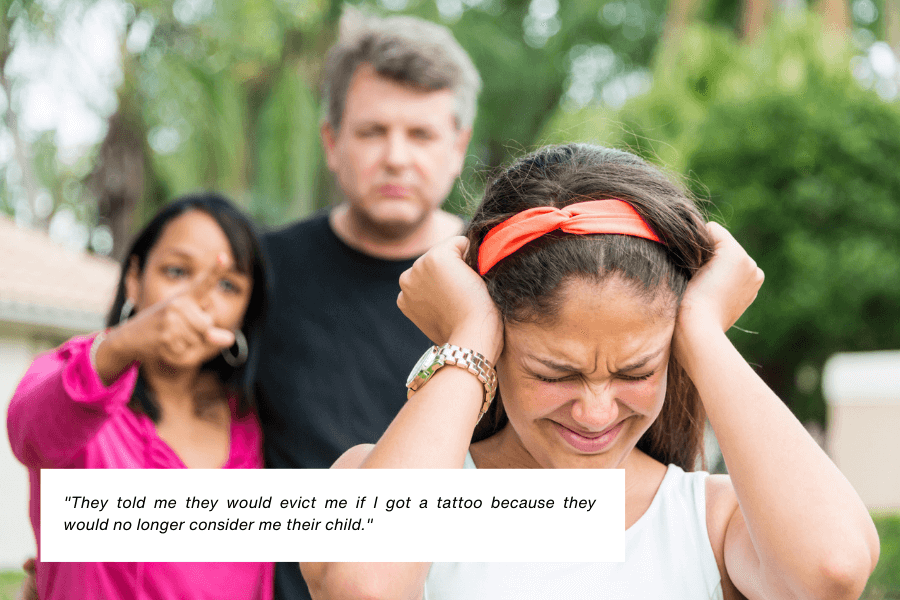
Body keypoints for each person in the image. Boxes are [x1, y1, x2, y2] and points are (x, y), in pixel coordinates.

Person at [301, 144, 880, 600]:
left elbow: (832, 572)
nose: (596, 412)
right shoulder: (371, 480)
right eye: (554, 374)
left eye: (636, 370)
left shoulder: (713, 522)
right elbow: (366, 586)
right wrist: (470, 332)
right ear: (498, 347)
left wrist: (701, 333)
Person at [256, 8, 480, 599]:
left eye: (422, 134)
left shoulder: (505, 278)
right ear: (332, 143)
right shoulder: (256, 274)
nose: (397, 157)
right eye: (372, 131)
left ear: (458, 146)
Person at [7, 193, 273, 600]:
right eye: (176, 271)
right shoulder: (79, 370)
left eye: (227, 285)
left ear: (245, 309)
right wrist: (123, 344)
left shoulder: (250, 418)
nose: (197, 301)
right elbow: (30, 434)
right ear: (135, 278)